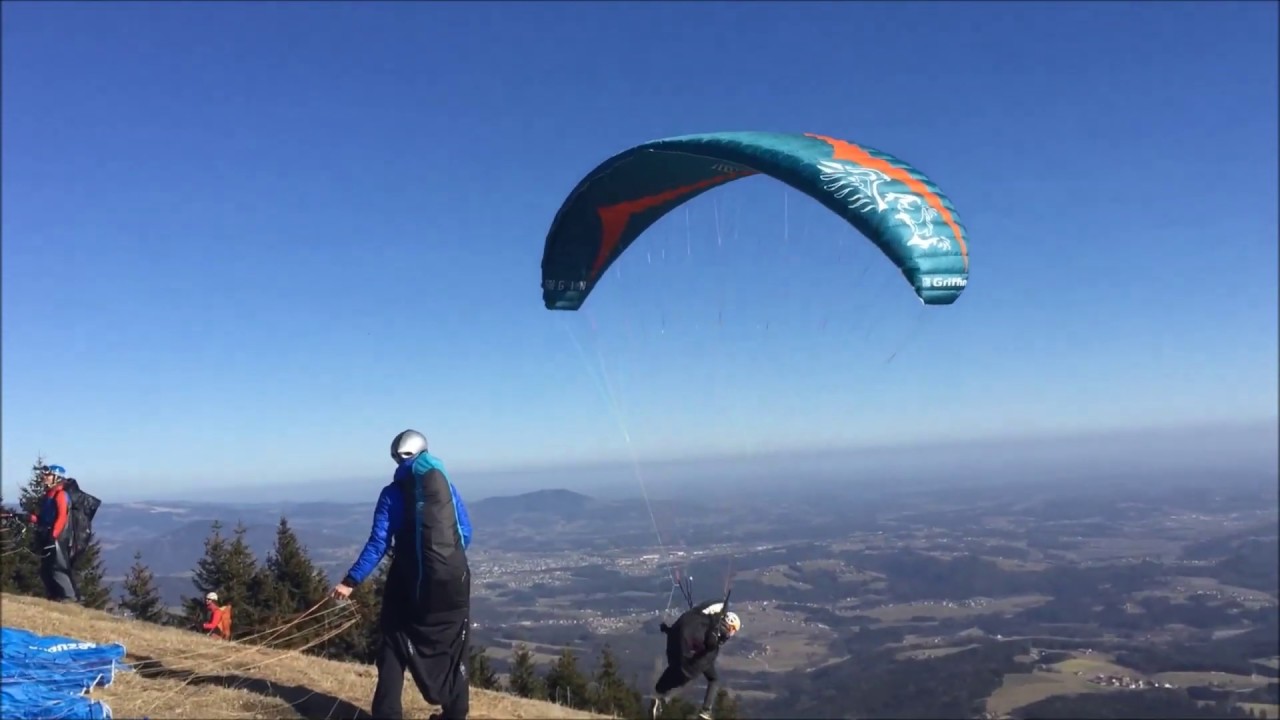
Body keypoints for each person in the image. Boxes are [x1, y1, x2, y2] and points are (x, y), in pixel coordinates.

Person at [331, 429, 473, 720]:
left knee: (394, 643)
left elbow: (378, 543)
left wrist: (350, 581)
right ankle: (455, 713)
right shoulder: (446, 487)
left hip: (409, 584)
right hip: (455, 583)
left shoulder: (391, 494)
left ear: (396, 457)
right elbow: (465, 533)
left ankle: (388, 713)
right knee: (456, 645)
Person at [648, 599, 742, 720]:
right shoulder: (715, 631)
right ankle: (706, 710)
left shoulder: (707, 622)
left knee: (669, 677)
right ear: (730, 626)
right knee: (714, 680)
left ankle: (659, 697)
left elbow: (686, 631)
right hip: (696, 661)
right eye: (733, 630)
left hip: (679, 652)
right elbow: (711, 643)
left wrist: (668, 630)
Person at [31, 464, 80, 604]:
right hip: (49, 535)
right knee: (46, 569)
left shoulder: (61, 495)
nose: (44, 477)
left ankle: (69, 597)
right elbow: (47, 517)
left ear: (57, 477)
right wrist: (32, 518)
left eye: (48, 475)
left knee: (57, 567)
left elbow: (61, 518)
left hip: (58, 537)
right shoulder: (49, 494)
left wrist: (54, 536)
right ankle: (54, 596)